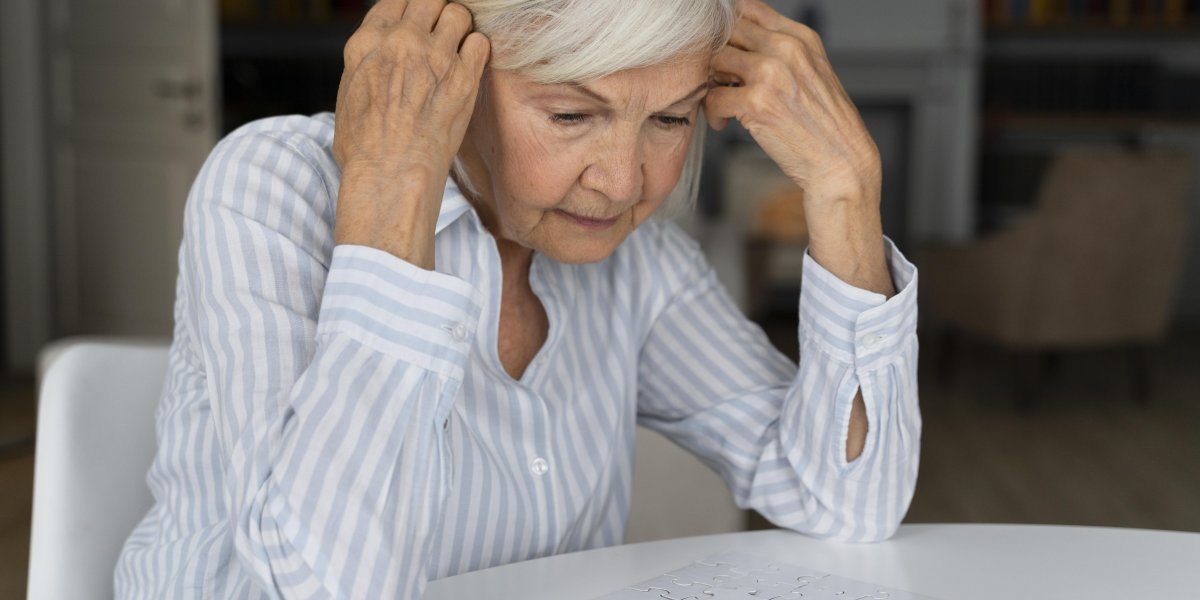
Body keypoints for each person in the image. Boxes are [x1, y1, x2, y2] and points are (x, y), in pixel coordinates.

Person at [115, 0, 920, 597]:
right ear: (452, 72)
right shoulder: (274, 187)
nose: (622, 181)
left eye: (669, 120)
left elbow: (846, 498)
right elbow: (324, 584)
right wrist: (395, 184)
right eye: (572, 114)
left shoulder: (639, 264)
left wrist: (846, 188)